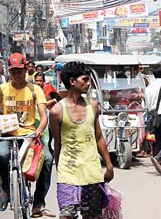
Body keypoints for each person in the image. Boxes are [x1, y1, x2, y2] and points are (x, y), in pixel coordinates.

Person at [0, 53, 54, 217]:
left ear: (25, 70)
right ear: (9, 72)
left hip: (29, 136)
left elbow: (44, 116)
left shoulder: (34, 89)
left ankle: (39, 203)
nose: (16, 74)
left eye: (19, 70)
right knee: (1, 154)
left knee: (47, 160)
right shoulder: (0, 90)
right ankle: (6, 189)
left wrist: (38, 132)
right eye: (13, 71)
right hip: (7, 135)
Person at [49, 61, 113, 219]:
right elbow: (57, 143)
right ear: (72, 81)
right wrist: (60, 170)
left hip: (92, 172)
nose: (88, 83)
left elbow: (98, 137)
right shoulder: (57, 111)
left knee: (92, 215)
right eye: (85, 79)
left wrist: (109, 165)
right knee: (66, 215)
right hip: (68, 173)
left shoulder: (93, 106)